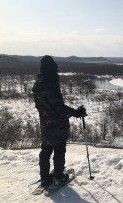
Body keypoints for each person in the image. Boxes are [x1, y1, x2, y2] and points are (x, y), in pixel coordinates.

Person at [32, 55, 86, 187]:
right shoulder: (51, 84)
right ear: (52, 68)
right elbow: (58, 108)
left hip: (45, 124)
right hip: (56, 125)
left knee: (45, 149)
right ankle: (58, 176)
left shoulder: (38, 84)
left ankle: (44, 177)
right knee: (59, 149)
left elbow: (43, 106)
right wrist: (76, 113)